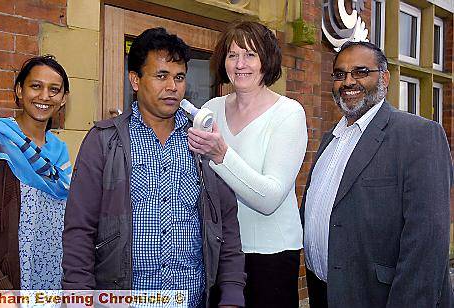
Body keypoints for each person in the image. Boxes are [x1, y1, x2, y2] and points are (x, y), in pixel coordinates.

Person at [61, 27, 245, 308]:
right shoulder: (104, 142)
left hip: (191, 299)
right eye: (161, 76)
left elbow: (227, 224)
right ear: (135, 80)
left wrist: (232, 294)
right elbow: (79, 229)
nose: (172, 86)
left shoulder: (203, 143)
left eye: (179, 77)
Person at [300, 41, 453, 308]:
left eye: (360, 72)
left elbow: (427, 242)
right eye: (340, 74)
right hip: (325, 292)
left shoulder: (418, 135)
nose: (348, 82)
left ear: (384, 78)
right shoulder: (330, 140)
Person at [188, 21, 307, 307]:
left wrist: (221, 156)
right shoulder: (211, 109)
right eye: (232, 55)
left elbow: (270, 198)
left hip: (271, 256)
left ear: (267, 60)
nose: (240, 64)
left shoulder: (289, 113)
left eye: (250, 55)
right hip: (220, 250)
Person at [0, 55, 72, 290]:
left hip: (51, 286)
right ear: (19, 90)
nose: (44, 96)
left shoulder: (60, 152)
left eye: (54, 89)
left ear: (63, 99)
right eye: (35, 86)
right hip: (3, 287)